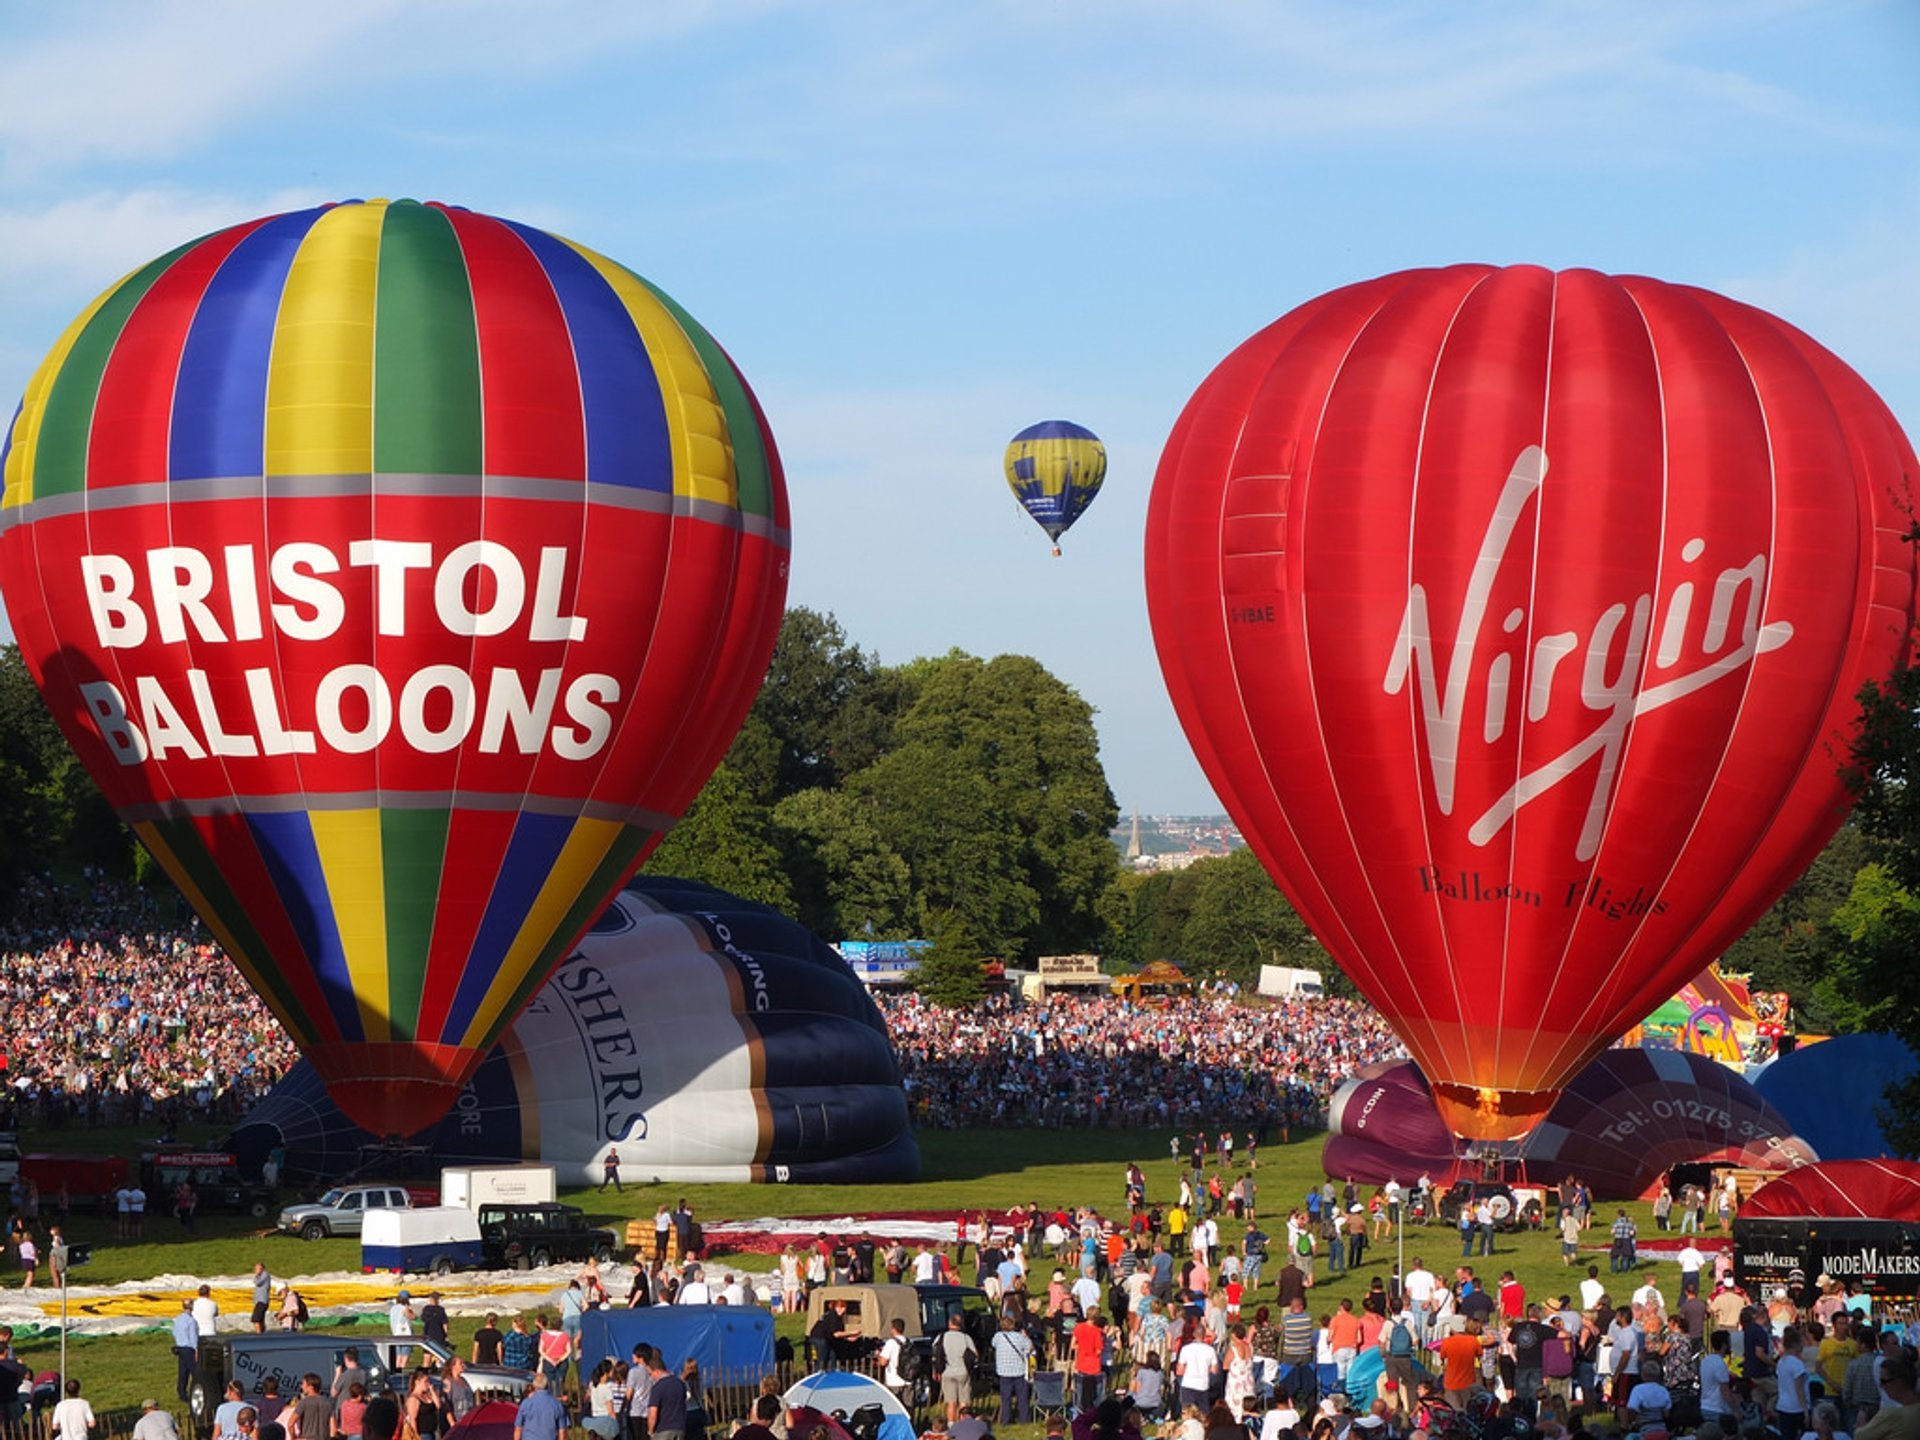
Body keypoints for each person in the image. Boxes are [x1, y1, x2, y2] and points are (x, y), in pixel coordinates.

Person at [938, 1312, 978, 1426]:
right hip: (963, 1371)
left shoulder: (942, 1337)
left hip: (947, 1372)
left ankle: (951, 1426)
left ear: (949, 1323)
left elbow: (936, 1353)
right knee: (964, 1401)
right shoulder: (966, 1338)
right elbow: (975, 1354)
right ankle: (964, 1424)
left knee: (951, 1402)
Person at [646, 1352, 687, 1440]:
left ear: (657, 1371)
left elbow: (653, 1412)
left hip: (663, 1430)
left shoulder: (657, 1387)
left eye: (650, 1374)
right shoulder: (680, 1384)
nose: (651, 1377)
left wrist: (650, 1431)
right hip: (680, 1428)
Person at [514, 1375, 569, 1440]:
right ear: (547, 1385)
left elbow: (518, 1429)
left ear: (534, 1386)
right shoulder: (557, 1404)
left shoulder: (526, 1403)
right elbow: (562, 1431)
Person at [173, 1299, 201, 1403]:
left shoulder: (178, 1319)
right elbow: (193, 1336)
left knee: (183, 1372)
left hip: (180, 1347)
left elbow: (175, 1332)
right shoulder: (191, 1321)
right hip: (189, 1348)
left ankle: (181, 1392)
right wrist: (196, 1349)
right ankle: (196, 1390)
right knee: (195, 1372)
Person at [251, 1263, 273, 1333]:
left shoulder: (265, 1275)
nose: (256, 1270)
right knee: (260, 1319)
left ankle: (259, 1333)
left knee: (256, 1318)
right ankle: (262, 1333)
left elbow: (257, 1282)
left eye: (257, 1269)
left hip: (262, 1300)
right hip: (259, 1300)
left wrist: (256, 1275)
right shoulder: (261, 1276)